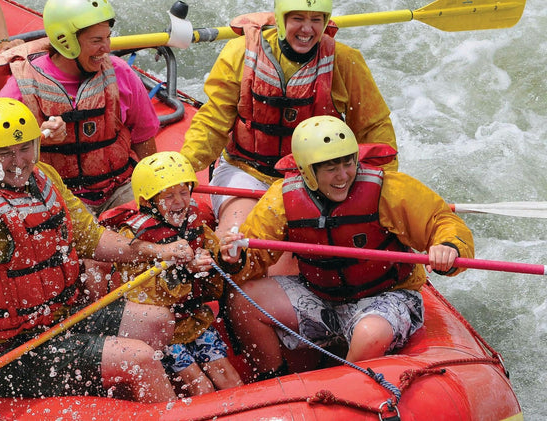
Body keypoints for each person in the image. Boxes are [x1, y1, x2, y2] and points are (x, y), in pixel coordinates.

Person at [0, 98, 196, 403]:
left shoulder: (43, 177)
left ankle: (125, 400)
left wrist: (158, 250)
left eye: (25, 148)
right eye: (4, 153)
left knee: (159, 321)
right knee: (140, 357)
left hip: (62, 315)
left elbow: (92, 239)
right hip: (8, 351)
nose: (19, 161)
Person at [219, 116, 473, 380]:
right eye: (331, 168)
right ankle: (273, 382)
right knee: (244, 300)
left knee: (369, 334)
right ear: (308, 171)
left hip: (385, 297)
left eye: (347, 163)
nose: (343, 176)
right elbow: (256, 253)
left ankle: (339, 387)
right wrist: (235, 258)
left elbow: (441, 220)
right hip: (320, 295)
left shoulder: (390, 189)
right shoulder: (281, 198)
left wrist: (448, 246)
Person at [181, 0, 399, 274]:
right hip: (246, 173)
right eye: (297, 18)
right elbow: (213, 121)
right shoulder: (240, 52)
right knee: (237, 246)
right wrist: (184, 166)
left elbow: (374, 130)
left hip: (314, 180)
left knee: (286, 269)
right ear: (281, 18)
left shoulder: (345, 61)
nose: (307, 29)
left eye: (316, 20)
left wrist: (378, 190)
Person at [0, 0, 159, 215]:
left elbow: (143, 136)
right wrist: (38, 140)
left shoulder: (120, 73)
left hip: (120, 187)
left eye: (108, 37)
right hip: (57, 195)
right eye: (97, 40)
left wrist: (155, 189)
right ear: (66, 42)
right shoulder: (21, 86)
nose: (107, 48)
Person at [99, 151, 243, 397]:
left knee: (226, 375)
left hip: (194, 318)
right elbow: (143, 296)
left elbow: (213, 261)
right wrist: (187, 272)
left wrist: (226, 259)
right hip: (162, 331)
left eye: (184, 192)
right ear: (149, 202)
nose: (179, 202)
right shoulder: (133, 237)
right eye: (168, 195)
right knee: (201, 385)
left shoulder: (194, 220)